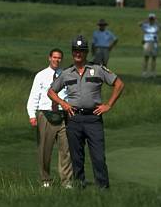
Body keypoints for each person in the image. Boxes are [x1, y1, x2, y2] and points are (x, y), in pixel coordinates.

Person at [47, 36, 124, 189]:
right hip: (74, 119)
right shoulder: (66, 73)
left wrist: (108, 105)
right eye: (76, 51)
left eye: (81, 51)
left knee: (98, 157)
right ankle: (79, 186)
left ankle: (103, 188)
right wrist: (63, 104)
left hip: (93, 118)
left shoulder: (98, 69)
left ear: (86, 52)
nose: (78, 54)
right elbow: (51, 91)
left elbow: (119, 84)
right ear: (72, 52)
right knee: (77, 157)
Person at [26, 48, 73, 188]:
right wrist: (31, 115)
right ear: (49, 58)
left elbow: (68, 95)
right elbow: (34, 95)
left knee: (66, 150)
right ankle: (45, 180)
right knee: (44, 150)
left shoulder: (65, 75)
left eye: (59, 58)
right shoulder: (41, 75)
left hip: (62, 115)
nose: (56, 60)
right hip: (45, 114)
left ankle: (67, 182)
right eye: (54, 57)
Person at [140, 13, 161, 78]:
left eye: (152, 19)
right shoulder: (145, 25)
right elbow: (139, 24)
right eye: (150, 18)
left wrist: (156, 21)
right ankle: (144, 72)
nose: (151, 20)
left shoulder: (156, 26)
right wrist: (146, 20)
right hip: (147, 42)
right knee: (146, 58)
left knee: (154, 58)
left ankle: (153, 72)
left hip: (154, 42)